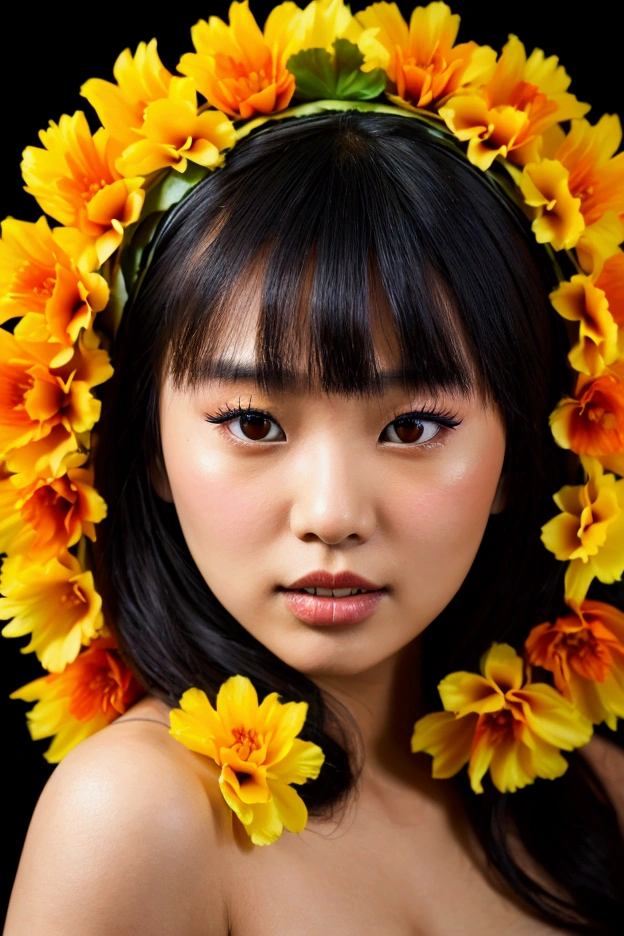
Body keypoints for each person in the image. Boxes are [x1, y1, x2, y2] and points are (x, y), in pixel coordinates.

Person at [2, 2, 624, 933]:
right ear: (148, 447)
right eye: (253, 420)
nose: (332, 513)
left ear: (524, 454)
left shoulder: (596, 799)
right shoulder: (139, 815)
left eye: (413, 427)